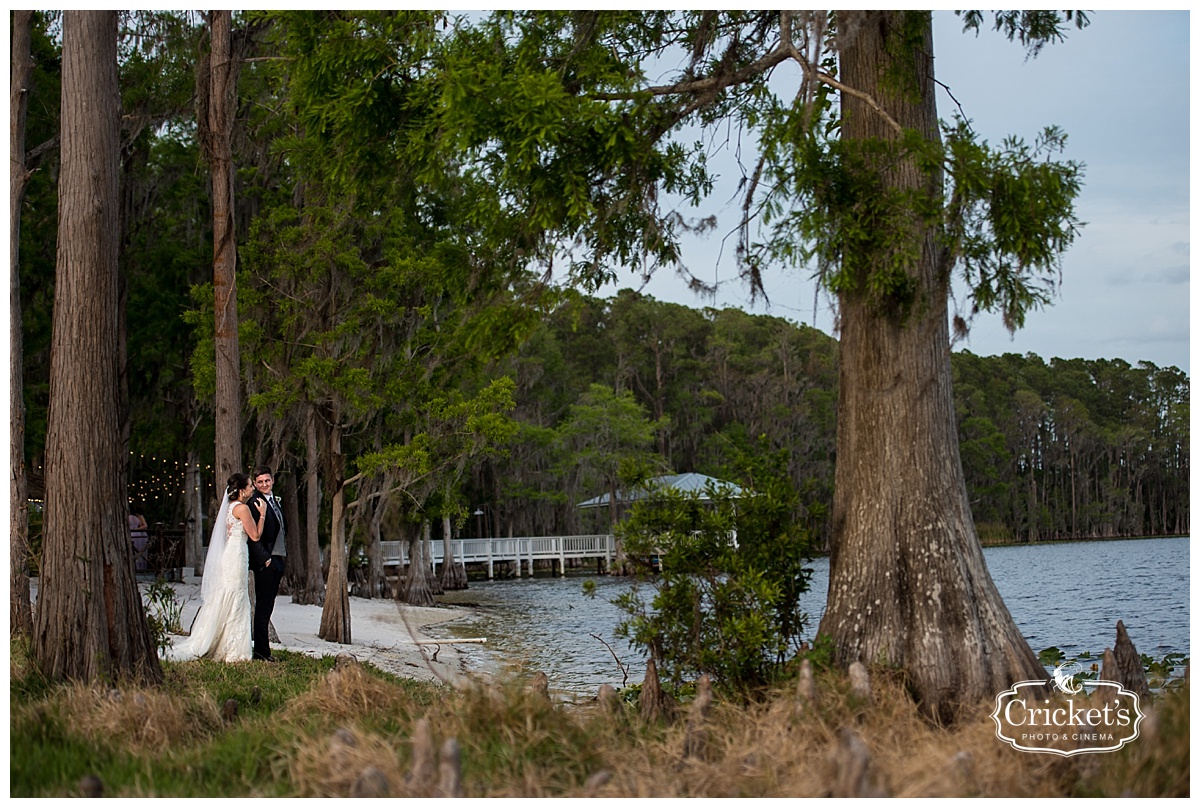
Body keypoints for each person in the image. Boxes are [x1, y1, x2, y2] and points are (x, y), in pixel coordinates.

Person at [164, 473, 265, 663]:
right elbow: (256, 535)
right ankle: (233, 649)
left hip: (230, 553)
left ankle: (221, 640)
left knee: (229, 594)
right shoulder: (242, 509)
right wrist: (262, 515)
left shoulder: (230, 507)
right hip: (237, 554)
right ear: (242, 490)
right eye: (251, 486)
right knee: (237, 595)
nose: (253, 488)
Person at [247, 465, 287, 662]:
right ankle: (261, 653)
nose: (264, 484)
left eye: (267, 481)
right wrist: (266, 559)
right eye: (260, 482)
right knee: (263, 608)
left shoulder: (273, 500)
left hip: (278, 559)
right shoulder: (255, 503)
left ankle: (264, 651)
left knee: (268, 606)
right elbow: (252, 537)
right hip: (267, 562)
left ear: (272, 480)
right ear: (254, 484)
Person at [128, 502, 149, 572]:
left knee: (138, 549)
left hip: (135, 533)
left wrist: (135, 529)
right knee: (137, 550)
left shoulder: (137, 516)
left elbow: (145, 525)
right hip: (137, 533)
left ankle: (138, 567)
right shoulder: (135, 518)